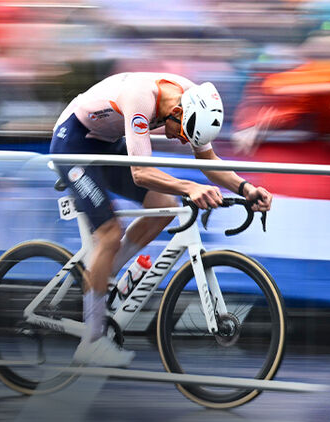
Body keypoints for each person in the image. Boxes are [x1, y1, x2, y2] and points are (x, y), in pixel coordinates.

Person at [50, 72, 272, 367]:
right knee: (109, 233)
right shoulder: (139, 98)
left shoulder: (195, 101)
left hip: (105, 141)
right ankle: (90, 341)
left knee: (165, 207)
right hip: (74, 143)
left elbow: (207, 160)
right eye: (179, 132)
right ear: (177, 111)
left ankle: (103, 275)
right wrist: (190, 186)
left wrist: (246, 188)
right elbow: (140, 173)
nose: (176, 139)